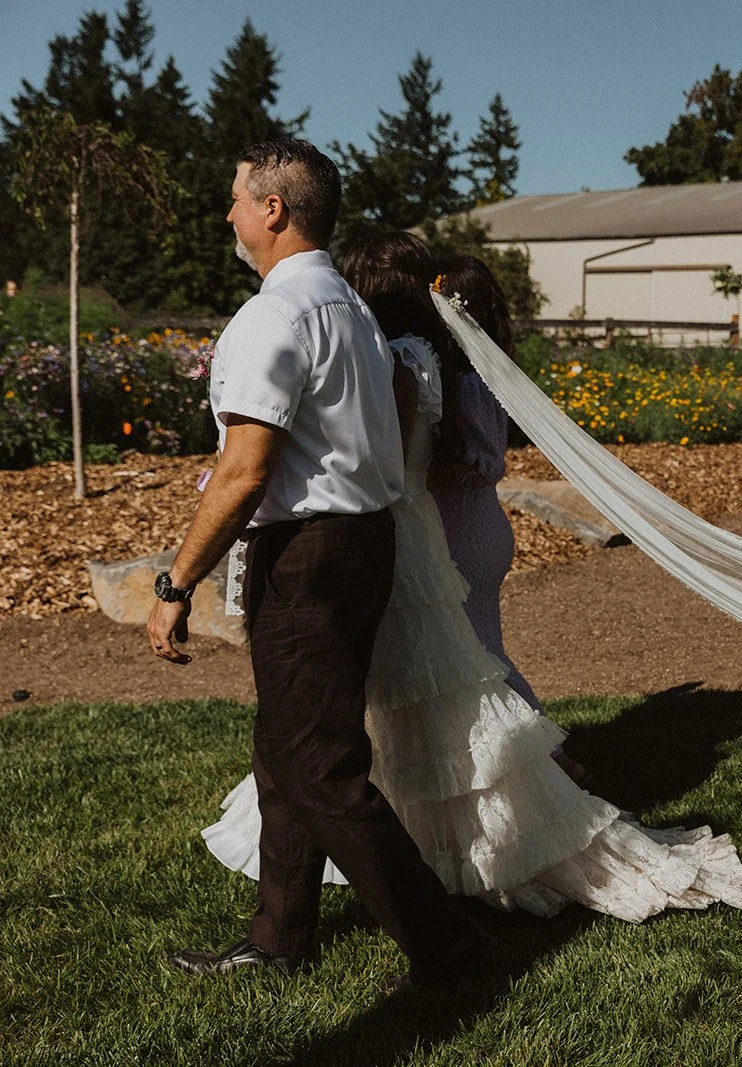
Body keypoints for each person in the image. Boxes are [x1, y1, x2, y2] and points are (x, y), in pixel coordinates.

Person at [200, 231, 742, 923]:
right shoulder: (422, 359)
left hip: (397, 537)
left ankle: (448, 852)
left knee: (420, 698)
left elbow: (381, 469)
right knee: (403, 698)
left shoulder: (398, 364)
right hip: (410, 533)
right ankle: (407, 843)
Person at [148, 139, 480, 984]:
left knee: (323, 768)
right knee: (285, 750)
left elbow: (244, 467)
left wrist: (174, 581)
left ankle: (446, 950)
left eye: (235, 198)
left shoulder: (277, 315)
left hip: (308, 556)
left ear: (273, 209)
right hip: (362, 543)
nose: (226, 213)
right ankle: (280, 936)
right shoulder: (349, 308)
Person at [427, 253, 585, 784]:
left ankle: (548, 762)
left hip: (461, 533)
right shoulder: (489, 376)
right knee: (479, 650)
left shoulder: (461, 385)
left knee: (480, 656)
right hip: (484, 527)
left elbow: (477, 462)